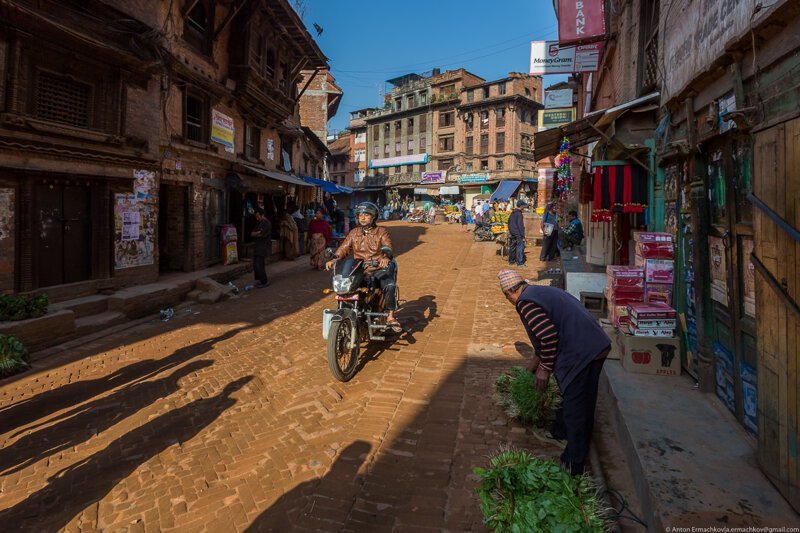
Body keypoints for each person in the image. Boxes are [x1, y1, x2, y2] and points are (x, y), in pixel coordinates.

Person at [498, 269, 611, 476]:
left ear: (509, 294)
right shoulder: (538, 293)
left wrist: (544, 369)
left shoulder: (525, 303)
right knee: (570, 395)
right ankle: (559, 432)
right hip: (590, 344)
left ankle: (573, 464)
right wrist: (529, 371)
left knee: (577, 408)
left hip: (584, 350)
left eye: (506, 297)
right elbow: (542, 345)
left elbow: (548, 338)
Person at [325, 202, 401, 329]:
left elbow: (387, 246)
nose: (363, 218)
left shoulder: (381, 232)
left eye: (366, 215)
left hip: (378, 268)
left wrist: (386, 257)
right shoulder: (354, 232)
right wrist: (334, 259)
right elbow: (344, 247)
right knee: (348, 287)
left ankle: (390, 315)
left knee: (389, 285)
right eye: (360, 215)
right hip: (359, 269)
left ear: (373, 217)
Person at [251, 208, 272, 288]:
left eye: (258, 216)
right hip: (257, 246)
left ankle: (264, 281)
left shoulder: (267, 223)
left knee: (260, 264)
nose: (257, 218)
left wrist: (257, 233)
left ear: (262, 215)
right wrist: (258, 233)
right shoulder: (259, 223)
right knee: (256, 264)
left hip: (263, 247)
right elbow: (252, 233)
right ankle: (260, 280)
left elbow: (262, 234)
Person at [508, 200, 527, 266]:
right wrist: (523, 235)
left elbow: (509, 222)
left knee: (513, 247)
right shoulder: (519, 214)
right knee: (520, 247)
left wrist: (511, 231)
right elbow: (520, 226)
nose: (524, 207)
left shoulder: (512, 213)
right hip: (518, 233)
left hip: (512, 232)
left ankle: (511, 261)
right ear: (521, 206)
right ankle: (520, 262)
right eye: (523, 206)